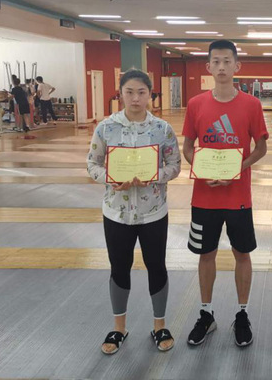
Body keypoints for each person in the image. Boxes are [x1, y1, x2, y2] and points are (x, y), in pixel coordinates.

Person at [87, 69, 181, 355]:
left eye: (141, 92)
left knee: (157, 266)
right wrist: (110, 178)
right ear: (121, 94)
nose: (136, 98)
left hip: (153, 212)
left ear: (150, 94)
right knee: (119, 267)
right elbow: (93, 164)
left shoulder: (162, 129)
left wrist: (153, 176)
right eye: (129, 92)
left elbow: (175, 165)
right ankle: (119, 327)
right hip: (116, 213)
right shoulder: (106, 128)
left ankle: (159, 325)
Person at [182, 40, 268, 348]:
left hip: (238, 198)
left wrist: (236, 169)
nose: (221, 67)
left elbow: (261, 147)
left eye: (227, 61)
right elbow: (188, 147)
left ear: (236, 66)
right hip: (203, 198)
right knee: (206, 254)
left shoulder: (251, 105)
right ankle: (206, 313)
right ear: (208, 67)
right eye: (216, 61)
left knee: (242, 254)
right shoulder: (196, 104)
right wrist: (202, 170)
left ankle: (242, 314)